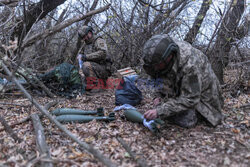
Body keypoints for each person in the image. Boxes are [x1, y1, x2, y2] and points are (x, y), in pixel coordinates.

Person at [142, 34, 223, 128]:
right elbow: (155, 77)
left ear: (170, 56)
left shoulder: (191, 65)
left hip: (203, 98)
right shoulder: (160, 57)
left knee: (186, 120)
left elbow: (191, 99)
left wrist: (160, 111)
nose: (155, 67)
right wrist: (157, 96)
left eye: (157, 65)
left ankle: (200, 115)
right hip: (181, 90)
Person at [77, 26, 112, 90]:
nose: (84, 39)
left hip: (103, 68)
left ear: (89, 33)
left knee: (86, 65)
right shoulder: (85, 45)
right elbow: (80, 55)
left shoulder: (98, 40)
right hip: (93, 69)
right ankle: (93, 84)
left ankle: (97, 87)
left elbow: (103, 53)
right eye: (83, 38)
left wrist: (86, 57)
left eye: (85, 36)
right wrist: (80, 58)